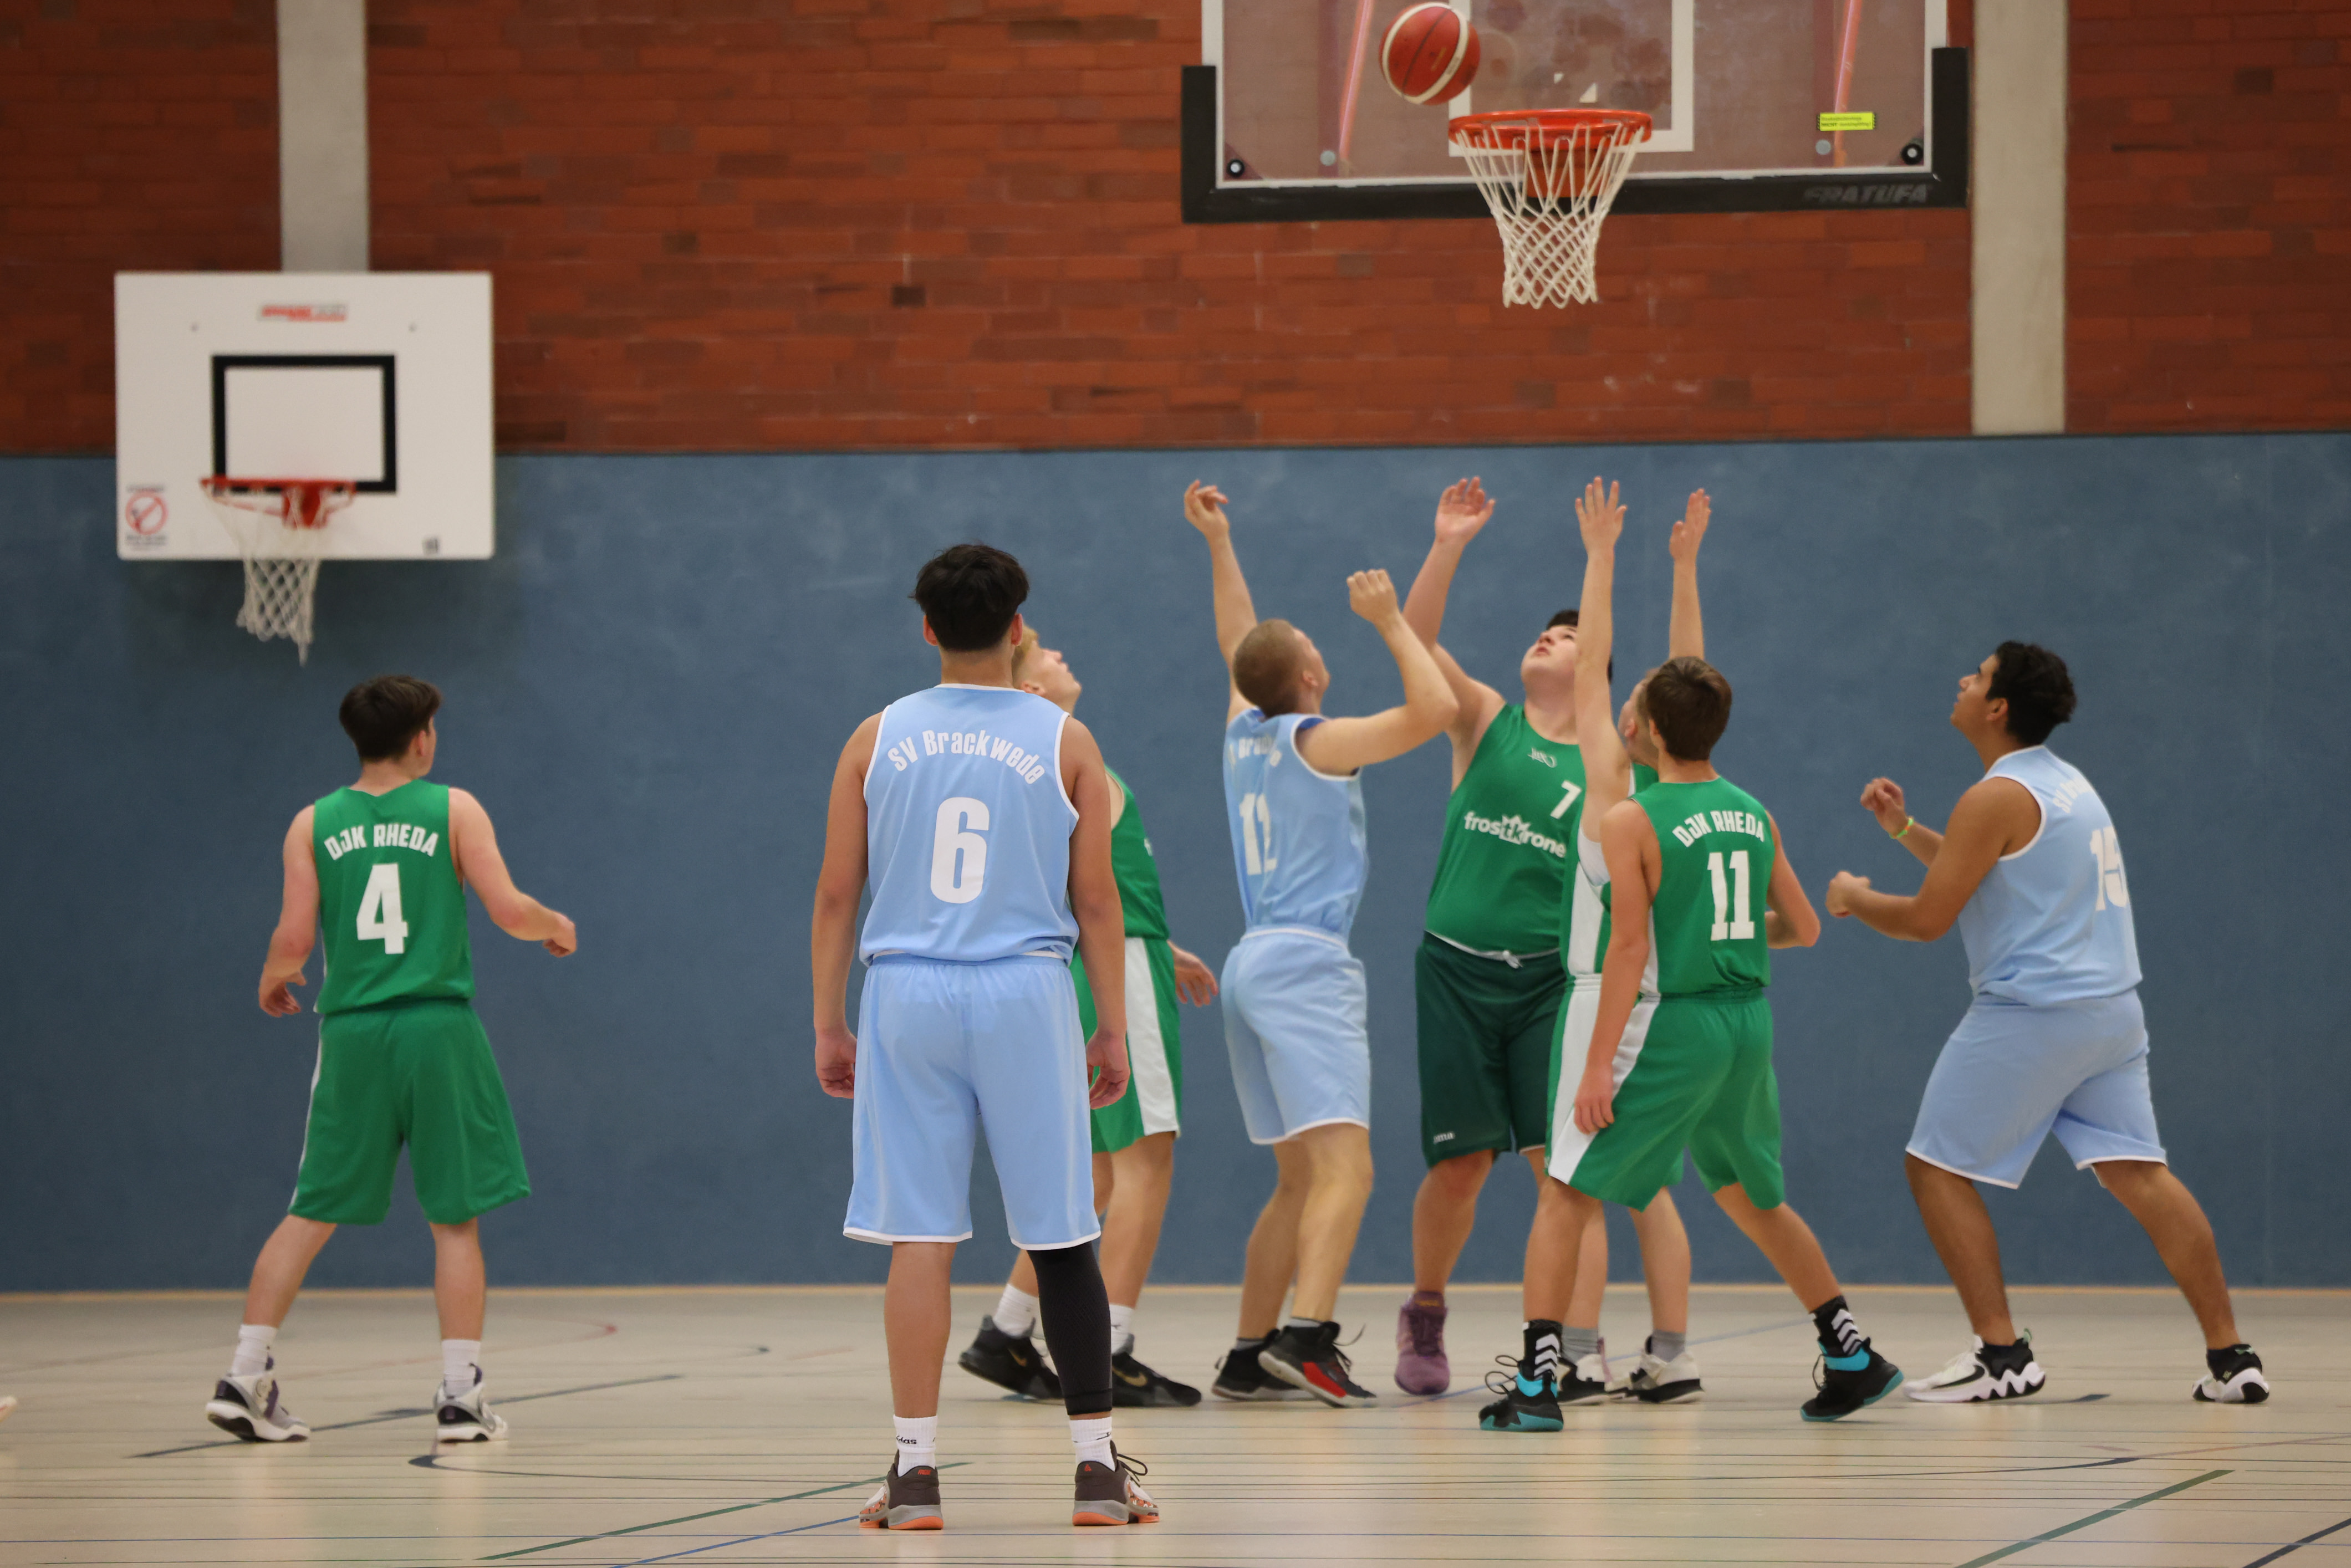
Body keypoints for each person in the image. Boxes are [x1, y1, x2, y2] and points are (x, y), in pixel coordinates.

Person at [811, 544, 1157, 1531]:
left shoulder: (874, 737)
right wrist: (1111, 1026)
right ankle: (1096, 1472)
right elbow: (1097, 901)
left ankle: (916, 1473)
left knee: (920, 1236)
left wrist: (829, 1020)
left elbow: (837, 893)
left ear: (927, 628)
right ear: (1017, 627)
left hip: (906, 991)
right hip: (1024, 991)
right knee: (1061, 1232)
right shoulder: (1066, 738)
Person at [1827, 643, 2268, 1405]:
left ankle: (2002, 1356)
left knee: (1934, 1168)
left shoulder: (1994, 796)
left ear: (1997, 707)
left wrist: (1850, 897)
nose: (1962, 681)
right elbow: (1985, 870)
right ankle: (2232, 1357)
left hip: (2034, 1014)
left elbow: (1928, 918)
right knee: (2140, 1174)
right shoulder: (2063, 782)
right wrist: (1904, 830)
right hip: (2110, 1018)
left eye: (1976, 676)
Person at [1546, 534, 1905, 1423]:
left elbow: (1628, 952)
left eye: (1634, 704)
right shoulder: (1751, 808)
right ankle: (1848, 1348)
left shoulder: (1633, 813)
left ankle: (1540, 1375)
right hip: (1748, 1023)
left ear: (1645, 729)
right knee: (1753, 1198)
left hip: (1675, 1022)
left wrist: (1595, 1066)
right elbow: (1805, 928)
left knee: (1568, 1188)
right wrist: (1683, 569)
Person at [205, 675, 575, 1445]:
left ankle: (244, 1374)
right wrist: (554, 924)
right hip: (437, 1029)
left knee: (310, 1209)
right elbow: (509, 909)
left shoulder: (311, 823)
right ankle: (460, 1396)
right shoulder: (454, 808)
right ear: (422, 738)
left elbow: (294, 937)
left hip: (353, 1035)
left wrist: (274, 976)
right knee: (454, 1220)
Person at [1394, 476, 1697, 1413]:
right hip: (1454, 968)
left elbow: (1686, 681)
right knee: (1457, 1167)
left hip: (1546, 988)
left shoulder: (1613, 764)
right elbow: (1413, 636)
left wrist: (1664, 568)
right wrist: (1446, 542)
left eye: (1566, 637)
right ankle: (1427, 1306)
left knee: (1563, 1172)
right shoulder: (1483, 717)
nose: (1547, 638)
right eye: (1541, 631)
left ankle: (1574, 1350)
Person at [1182, 480, 1457, 1408]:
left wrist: (1219, 543)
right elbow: (1433, 711)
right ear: (1308, 674)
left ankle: (1245, 1351)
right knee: (1349, 1168)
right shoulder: (1318, 740)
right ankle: (1306, 1337)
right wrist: (1390, 622)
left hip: (1250, 961)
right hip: (1304, 963)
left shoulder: (1242, 732)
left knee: (1297, 1177)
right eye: (1308, 642)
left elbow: (1238, 638)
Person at [957, 627, 1221, 1409]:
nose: (1061, 653)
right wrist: (1138, 948)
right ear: (1031, 689)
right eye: (1045, 652)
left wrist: (1159, 942)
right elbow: (1087, 890)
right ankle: (1112, 1348)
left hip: (1096, 959)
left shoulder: (1030, 768)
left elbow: (1075, 881)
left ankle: (1008, 1331)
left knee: (1098, 1168)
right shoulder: (1073, 758)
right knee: (1146, 1161)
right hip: (1115, 967)